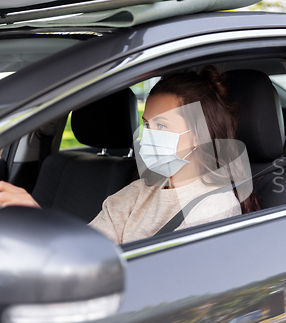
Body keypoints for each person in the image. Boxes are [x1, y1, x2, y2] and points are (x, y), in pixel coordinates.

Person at [0, 65, 259, 244]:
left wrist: (40, 221)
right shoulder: (137, 192)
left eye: (162, 126)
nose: (149, 135)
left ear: (197, 136)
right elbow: (89, 250)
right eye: (147, 125)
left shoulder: (214, 207)